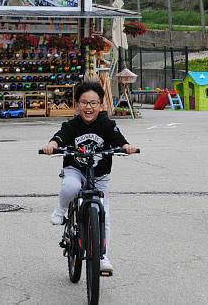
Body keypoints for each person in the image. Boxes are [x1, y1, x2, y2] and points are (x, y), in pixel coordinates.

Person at [41, 81, 138, 274]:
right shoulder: (72, 125)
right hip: (75, 169)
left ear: (101, 105)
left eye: (93, 103)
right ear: (77, 105)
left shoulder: (107, 124)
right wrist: (51, 145)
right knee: (70, 187)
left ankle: (102, 256)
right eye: (84, 102)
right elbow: (60, 136)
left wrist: (126, 146)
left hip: (99, 176)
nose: (88, 107)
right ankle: (61, 209)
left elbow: (118, 139)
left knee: (105, 215)